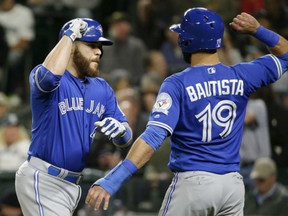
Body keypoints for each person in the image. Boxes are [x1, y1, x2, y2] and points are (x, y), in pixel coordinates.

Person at [85, 7, 288, 216]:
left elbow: (153, 137)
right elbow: (286, 55)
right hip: (232, 186)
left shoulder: (177, 84)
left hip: (194, 185)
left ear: (186, 41)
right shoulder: (242, 75)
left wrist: (113, 179)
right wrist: (258, 30)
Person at [15, 18, 133, 216]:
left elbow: (127, 139)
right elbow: (48, 78)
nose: (99, 52)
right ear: (71, 46)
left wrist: (121, 131)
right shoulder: (47, 76)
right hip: (44, 179)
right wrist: (69, 36)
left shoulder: (101, 88)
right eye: (91, 45)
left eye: (100, 47)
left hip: (74, 185)